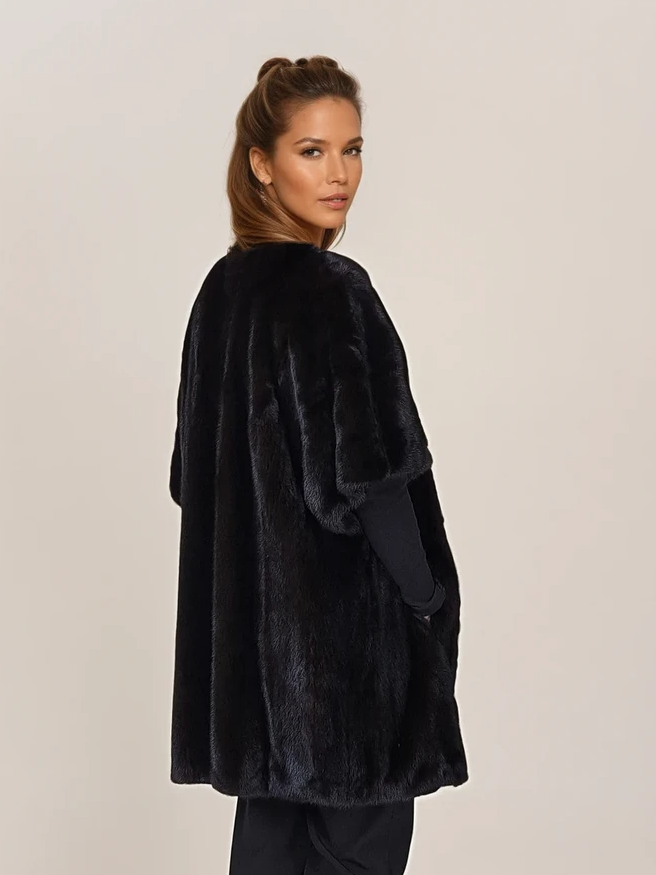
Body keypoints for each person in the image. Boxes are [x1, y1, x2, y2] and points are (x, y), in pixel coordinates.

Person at [169, 55, 468, 875]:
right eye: (312, 151)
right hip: (346, 664)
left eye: (352, 149)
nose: (339, 174)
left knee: (268, 855)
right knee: (359, 856)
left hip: (254, 678)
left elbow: (192, 478)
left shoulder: (220, 294)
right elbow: (369, 479)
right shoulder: (334, 291)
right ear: (261, 164)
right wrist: (426, 599)